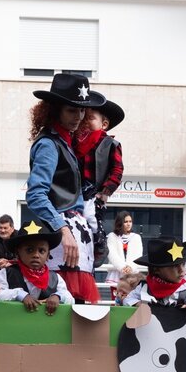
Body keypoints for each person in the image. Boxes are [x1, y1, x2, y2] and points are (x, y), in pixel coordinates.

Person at [27, 73, 107, 304]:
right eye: (72, 110)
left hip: (73, 235)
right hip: (62, 236)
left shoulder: (64, 142)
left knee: (76, 310)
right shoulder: (49, 144)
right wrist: (63, 229)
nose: (78, 116)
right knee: (63, 308)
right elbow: (35, 194)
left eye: (82, 110)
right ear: (55, 110)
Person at [75, 99, 124, 266]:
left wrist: (105, 191)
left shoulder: (110, 144)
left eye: (90, 118)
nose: (85, 122)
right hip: (77, 190)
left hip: (96, 191)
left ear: (104, 124)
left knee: (91, 217)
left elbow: (117, 170)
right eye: (83, 118)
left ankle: (99, 242)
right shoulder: (75, 142)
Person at [0, 220, 72, 315]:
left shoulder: (55, 278)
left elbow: (70, 299)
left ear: (48, 255)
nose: (36, 255)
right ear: (17, 253)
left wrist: (58, 296)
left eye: (41, 251)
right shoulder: (7, 274)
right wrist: (19, 294)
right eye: (29, 250)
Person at [123, 237, 186, 308]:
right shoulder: (145, 287)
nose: (182, 270)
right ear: (156, 270)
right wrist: (139, 304)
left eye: (183, 264)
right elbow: (127, 300)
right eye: (175, 266)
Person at [104, 211, 143, 285]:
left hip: (132, 273)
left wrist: (130, 267)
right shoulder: (112, 236)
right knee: (116, 292)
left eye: (130, 221)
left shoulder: (136, 237)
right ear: (120, 223)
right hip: (116, 273)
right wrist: (122, 267)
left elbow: (138, 255)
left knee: (132, 292)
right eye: (126, 222)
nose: (128, 224)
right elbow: (112, 254)